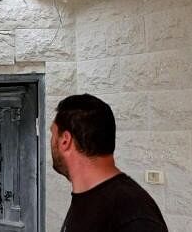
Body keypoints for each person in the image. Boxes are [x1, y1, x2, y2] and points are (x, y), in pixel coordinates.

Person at [51, 94, 168, 232]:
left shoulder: (134, 216)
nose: (51, 141)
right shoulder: (87, 197)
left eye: (53, 133)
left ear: (65, 141)